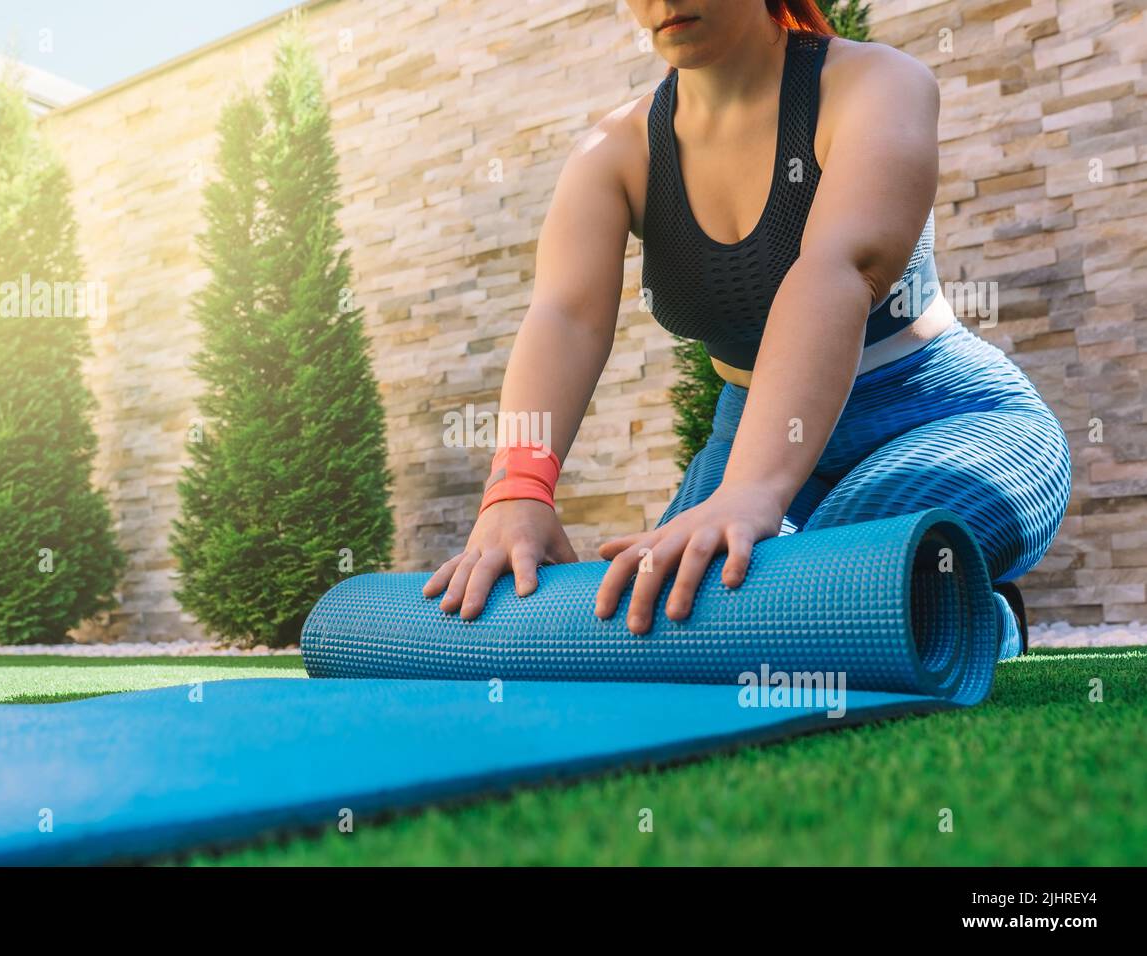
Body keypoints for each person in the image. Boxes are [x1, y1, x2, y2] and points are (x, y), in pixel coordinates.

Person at [423, 0, 1071, 657]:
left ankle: (979, 618)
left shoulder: (878, 84)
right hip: (747, 439)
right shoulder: (612, 152)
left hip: (943, 418)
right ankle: (938, 609)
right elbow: (564, 316)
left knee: (828, 581)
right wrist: (517, 490)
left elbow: (836, 271)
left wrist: (751, 492)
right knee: (662, 619)